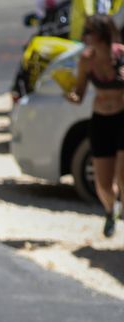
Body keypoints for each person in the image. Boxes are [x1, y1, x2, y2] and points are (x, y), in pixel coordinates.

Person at [69, 13, 124, 236]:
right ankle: (111, 210)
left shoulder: (120, 54)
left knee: (123, 177)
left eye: (88, 32)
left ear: (101, 35)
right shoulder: (86, 59)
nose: (84, 36)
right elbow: (79, 93)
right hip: (101, 119)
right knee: (103, 184)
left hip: (123, 116)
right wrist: (70, 94)